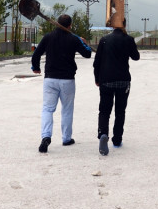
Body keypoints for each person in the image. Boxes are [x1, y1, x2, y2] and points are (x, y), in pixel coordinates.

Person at [32, 14, 92, 153]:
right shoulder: (73, 39)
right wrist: (83, 42)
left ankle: (46, 136)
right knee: (67, 109)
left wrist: (36, 67)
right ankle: (66, 138)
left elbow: (36, 54)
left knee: (47, 109)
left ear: (57, 23)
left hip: (50, 79)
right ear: (70, 25)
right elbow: (87, 54)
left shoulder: (48, 37)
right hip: (67, 80)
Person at [92, 19, 140, 156]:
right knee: (120, 111)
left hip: (106, 80)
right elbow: (136, 57)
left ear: (113, 25)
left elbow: (97, 62)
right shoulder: (128, 39)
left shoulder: (104, 40)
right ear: (124, 25)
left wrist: (97, 78)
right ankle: (117, 139)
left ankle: (103, 134)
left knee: (104, 110)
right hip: (123, 80)